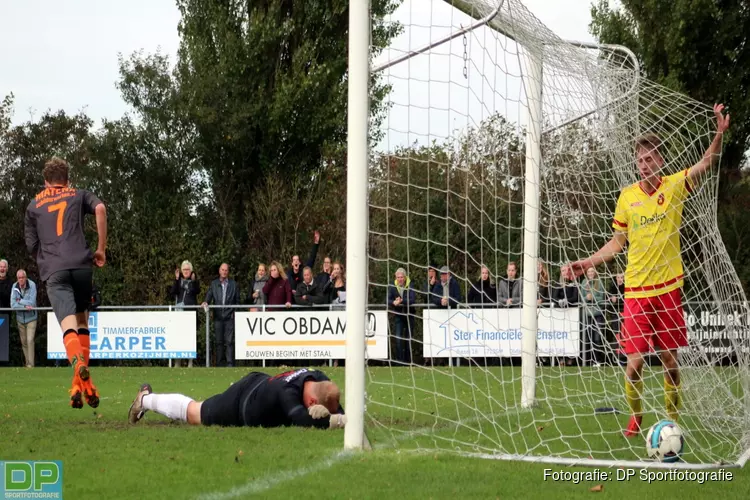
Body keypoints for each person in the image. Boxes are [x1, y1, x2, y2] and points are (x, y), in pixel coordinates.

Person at [562, 104, 730, 437]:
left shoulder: (675, 185)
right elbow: (617, 243)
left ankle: (672, 421)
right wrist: (588, 263)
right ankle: (635, 416)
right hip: (636, 291)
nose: (643, 164)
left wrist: (719, 133)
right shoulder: (626, 198)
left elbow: (707, 163)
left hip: (668, 288)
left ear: (660, 161)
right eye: (639, 160)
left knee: (670, 362)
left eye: (649, 158)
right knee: (634, 364)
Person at [24, 157, 107, 409]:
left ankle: (78, 366)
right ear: (67, 180)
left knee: (68, 326)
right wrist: (101, 249)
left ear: (46, 182)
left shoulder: (34, 205)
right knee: (82, 322)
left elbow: (32, 246)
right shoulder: (78, 194)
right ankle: (80, 386)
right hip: (82, 266)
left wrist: (47, 260)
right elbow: (101, 209)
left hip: (55, 269)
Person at [127, 368, 347, 430]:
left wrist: (342, 414)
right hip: (240, 402)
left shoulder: (318, 377)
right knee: (195, 412)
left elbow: (331, 398)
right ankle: (144, 399)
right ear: (312, 403)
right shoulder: (287, 394)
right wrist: (333, 422)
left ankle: (146, 399)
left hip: (259, 383)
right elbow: (301, 420)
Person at [11, 269, 38, 368]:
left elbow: (31, 303)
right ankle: (28, 363)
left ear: (25, 278)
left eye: (22, 277)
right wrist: (24, 306)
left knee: (30, 340)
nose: (21, 280)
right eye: (19, 278)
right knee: (24, 342)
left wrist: (20, 300)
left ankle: (31, 365)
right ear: (17, 279)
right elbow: (13, 305)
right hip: (20, 319)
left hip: (31, 318)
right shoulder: (14, 286)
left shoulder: (32, 285)